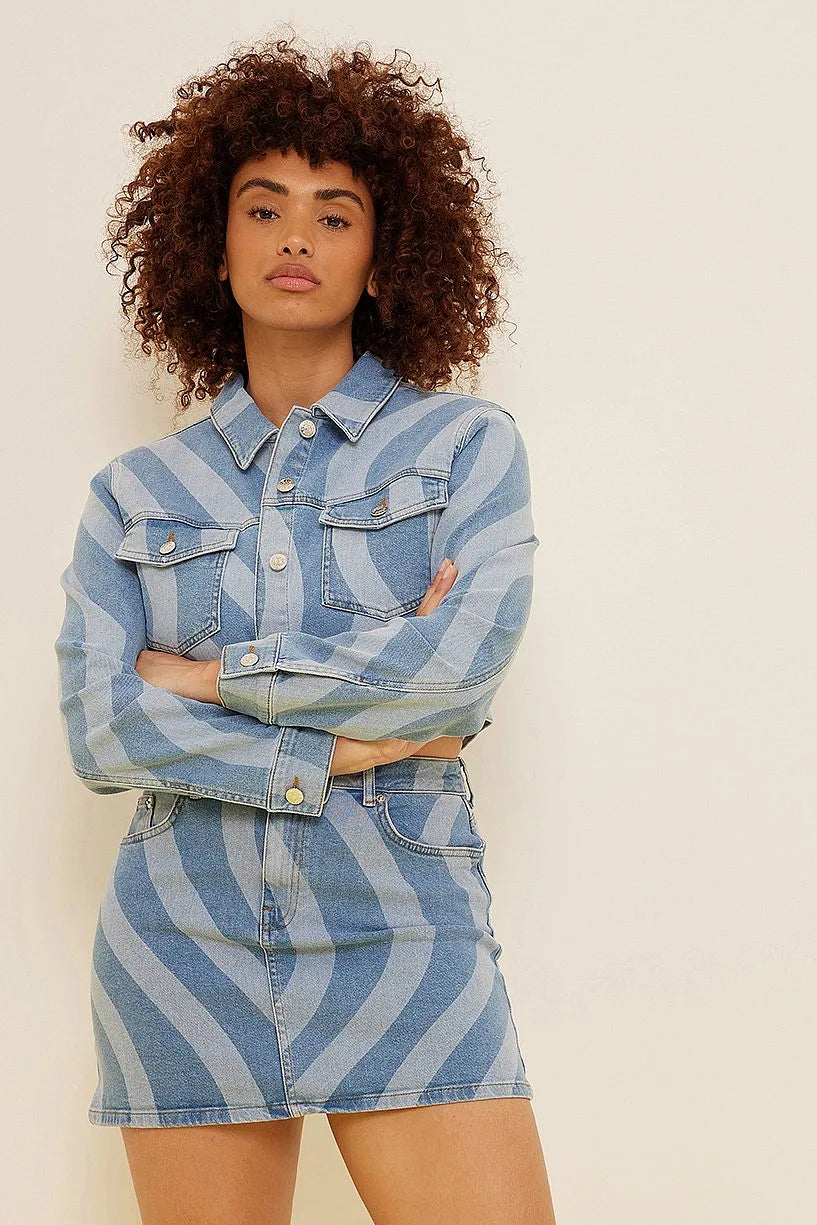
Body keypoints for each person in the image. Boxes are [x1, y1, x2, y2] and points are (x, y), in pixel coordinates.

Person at [54, 30, 558, 1225]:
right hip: (180, 943)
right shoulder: (134, 495)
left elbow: (452, 679)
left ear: (385, 255)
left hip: (404, 929)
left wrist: (205, 677)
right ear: (211, 244)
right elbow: (100, 729)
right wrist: (338, 747)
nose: (295, 237)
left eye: (335, 215)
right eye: (263, 207)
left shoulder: (463, 450)